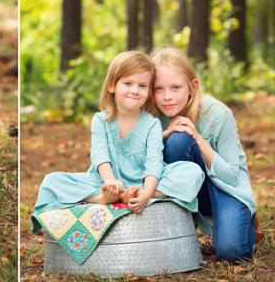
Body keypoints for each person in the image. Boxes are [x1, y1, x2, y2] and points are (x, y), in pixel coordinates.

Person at [34, 51, 203, 215]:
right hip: (105, 182)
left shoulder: (152, 124)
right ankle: (105, 198)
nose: (135, 90)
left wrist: (147, 193)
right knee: (53, 181)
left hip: (142, 183)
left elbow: (154, 164)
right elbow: (100, 155)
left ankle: (134, 196)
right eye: (128, 83)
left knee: (192, 172)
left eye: (142, 86)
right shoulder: (101, 120)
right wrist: (110, 183)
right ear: (112, 85)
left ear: (149, 91)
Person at [151, 47, 258, 262]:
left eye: (175, 87)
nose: (167, 97)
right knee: (178, 140)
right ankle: (185, 225)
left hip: (225, 188)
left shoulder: (218, 113)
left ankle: (246, 218)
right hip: (185, 191)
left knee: (232, 252)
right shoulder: (151, 117)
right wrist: (164, 135)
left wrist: (197, 137)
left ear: (193, 87)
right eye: (158, 89)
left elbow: (229, 175)